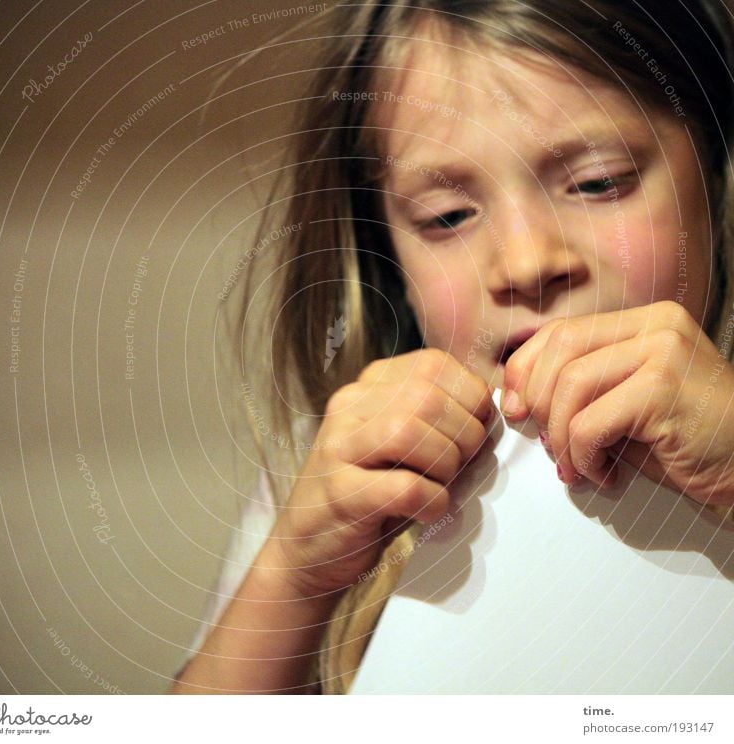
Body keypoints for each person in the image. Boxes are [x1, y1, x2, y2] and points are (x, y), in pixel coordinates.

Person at [169, 0, 734, 694]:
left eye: (597, 181)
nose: (525, 260)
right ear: (386, 256)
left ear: (716, 168)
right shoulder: (343, 471)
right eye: (448, 217)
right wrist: (296, 575)